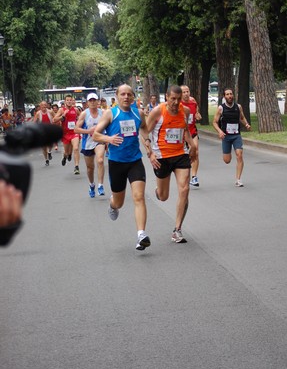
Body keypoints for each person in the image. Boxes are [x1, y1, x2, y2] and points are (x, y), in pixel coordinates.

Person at [92, 84, 151, 251]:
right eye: (123, 94)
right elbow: (96, 134)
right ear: (117, 97)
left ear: (133, 97)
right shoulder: (111, 113)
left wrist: (147, 144)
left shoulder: (138, 113)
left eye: (129, 94)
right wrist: (108, 139)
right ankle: (112, 205)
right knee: (119, 202)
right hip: (117, 163)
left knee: (139, 197)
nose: (126, 97)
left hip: (135, 161)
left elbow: (145, 129)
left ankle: (141, 235)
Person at [146, 85, 198, 244]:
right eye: (172, 99)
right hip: (161, 156)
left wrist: (192, 146)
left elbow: (186, 131)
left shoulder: (185, 111)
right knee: (163, 196)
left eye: (178, 99)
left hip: (180, 154)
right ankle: (158, 191)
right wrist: (150, 153)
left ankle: (177, 229)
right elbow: (144, 132)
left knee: (185, 188)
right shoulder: (157, 111)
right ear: (166, 98)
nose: (176, 102)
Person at [212, 87, 251, 187]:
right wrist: (220, 131)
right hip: (226, 136)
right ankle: (228, 153)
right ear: (224, 97)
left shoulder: (238, 107)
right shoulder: (221, 108)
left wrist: (246, 124)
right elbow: (215, 122)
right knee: (227, 160)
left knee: (239, 154)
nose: (230, 96)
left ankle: (238, 179)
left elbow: (241, 118)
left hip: (236, 135)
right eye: (227, 94)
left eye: (231, 94)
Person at [75, 93, 106, 198]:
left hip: (99, 140)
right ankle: (91, 184)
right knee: (90, 168)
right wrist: (88, 131)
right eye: (90, 100)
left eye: (94, 100)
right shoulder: (84, 114)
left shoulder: (103, 113)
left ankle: (100, 185)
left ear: (98, 102)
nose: (93, 102)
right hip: (87, 143)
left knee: (100, 160)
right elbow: (76, 129)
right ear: (88, 103)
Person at [53, 95, 81, 174]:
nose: (69, 101)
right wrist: (63, 115)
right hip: (65, 134)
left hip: (74, 133)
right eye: (67, 100)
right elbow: (54, 120)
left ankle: (76, 167)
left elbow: (81, 117)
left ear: (72, 101)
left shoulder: (75, 109)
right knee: (67, 152)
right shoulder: (62, 110)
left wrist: (79, 120)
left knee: (75, 148)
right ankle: (65, 156)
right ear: (65, 102)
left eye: (70, 100)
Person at [181, 85, 202, 187]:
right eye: (184, 92)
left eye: (187, 91)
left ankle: (194, 177)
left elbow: (196, 109)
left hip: (192, 131)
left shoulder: (193, 101)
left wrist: (197, 113)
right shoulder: (178, 103)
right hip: (181, 133)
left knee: (196, 151)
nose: (186, 93)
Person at [33, 101, 54, 166]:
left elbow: (55, 117)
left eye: (45, 105)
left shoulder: (50, 111)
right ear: (40, 106)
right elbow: (34, 122)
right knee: (43, 147)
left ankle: (49, 152)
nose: (44, 106)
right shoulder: (38, 113)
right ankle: (46, 160)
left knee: (50, 144)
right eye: (42, 105)